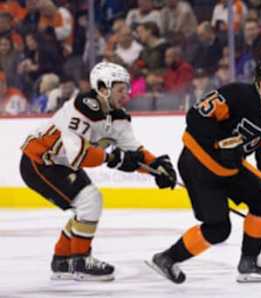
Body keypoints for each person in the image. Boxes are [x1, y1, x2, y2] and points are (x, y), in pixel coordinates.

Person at [147, 57, 261, 284]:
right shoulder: (237, 94)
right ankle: (167, 258)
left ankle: (249, 262)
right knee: (218, 229)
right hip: (198, 164)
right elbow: (196, 116)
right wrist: (220, 143)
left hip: (230, 167)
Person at [19, 61, 177, 281]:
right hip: (39, 162)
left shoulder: (119, 116)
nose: (127, 94)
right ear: (103, 89)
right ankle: (80, 261)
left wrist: (156, 168)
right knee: (90, 201)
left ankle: (62, 260)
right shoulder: (82, 106)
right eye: (121, 89)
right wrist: (113, 157)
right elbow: (79, 155)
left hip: (61, 164)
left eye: (127, 89)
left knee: (87, 205)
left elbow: (134, 152)